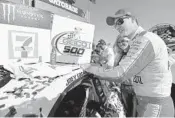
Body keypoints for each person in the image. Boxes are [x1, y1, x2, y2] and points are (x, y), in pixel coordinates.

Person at [81, 9, 174, 117]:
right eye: (115, 25)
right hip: (147, 102)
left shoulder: (145, 39)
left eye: (120, 21)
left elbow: (121, 74)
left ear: (133, 19)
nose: (117, 26)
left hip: (154, 105)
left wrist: (88, 67)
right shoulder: (139, 40)